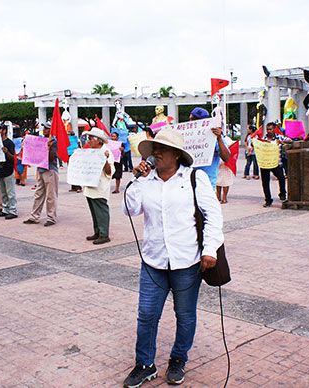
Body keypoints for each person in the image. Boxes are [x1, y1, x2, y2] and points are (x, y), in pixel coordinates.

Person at [122, 128, 223, 387]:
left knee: (185, 315)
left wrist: (210, 249)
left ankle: (178, 359)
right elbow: (129, 208)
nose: (156, 153)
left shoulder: (194, 179)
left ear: (176, 154)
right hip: (153, 261)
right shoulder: (147, 181)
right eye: (154, 149)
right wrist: (139, 179)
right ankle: (145, 364)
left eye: (162, 149)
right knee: (146, 315)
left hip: (186, 261)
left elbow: (213, 215)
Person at [23, 122, 59, 227]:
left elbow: (52, 158)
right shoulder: (41, 140)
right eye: (44, 128)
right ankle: (34, 216)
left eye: (47, 129)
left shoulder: (54, 142)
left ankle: (51, 217)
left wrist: (48, 148)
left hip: (50, 170)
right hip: (41, 169)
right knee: (39, 194)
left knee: (51, 195)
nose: (44, 130)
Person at [82, 128, 114, 245]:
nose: (89, 141)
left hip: (100, 186)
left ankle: (104, 234)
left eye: (91, 138)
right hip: (90, 186)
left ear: (99, 140)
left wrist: (104, 160)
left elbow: (110, 172)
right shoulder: (90, 151)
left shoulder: (106, 152)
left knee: (101, 210)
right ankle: (97, 231)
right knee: (94, 211)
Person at [189, 107, 230, 189]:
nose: (192, 123)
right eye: (191, 120)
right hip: (187, 184)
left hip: (207, 184)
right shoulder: (186, 136)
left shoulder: (214, 136)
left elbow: (226, 157)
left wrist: (219, 138)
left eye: (196, 120)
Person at [260, 122, 291, 207]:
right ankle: (268, 199)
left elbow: (290, 140)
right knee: (265, 182)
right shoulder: (264, 138)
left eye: (270, 129)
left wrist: (281, 142)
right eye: (267, 129)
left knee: (281, 178)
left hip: (276, 162)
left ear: (274, 129)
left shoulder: (279, 137)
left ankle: (282, 194)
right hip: (265, 163)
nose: (269, 131)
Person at [0, 126, 18, 219]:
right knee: (3, 192)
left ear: (4, 131)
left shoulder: (9, 143)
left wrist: (7, 152)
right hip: (0, 169)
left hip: (8, 169)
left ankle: (13, 210)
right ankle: (5, 209)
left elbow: (14, 158)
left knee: (10, 192)